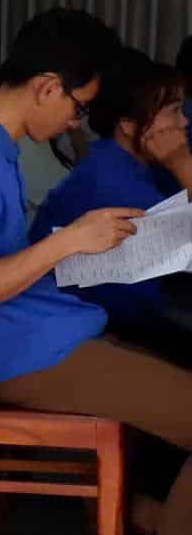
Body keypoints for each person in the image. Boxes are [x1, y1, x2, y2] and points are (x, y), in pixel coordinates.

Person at [0, 9, 192, 535]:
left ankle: (152, 523)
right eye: (77, 106)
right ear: (47, 86)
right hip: (26, 355)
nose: (76, 121)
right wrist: (69, 242)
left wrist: (87, 252)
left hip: (47, 334)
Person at [32, 47, 192, 356]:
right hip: (81, 327)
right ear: (129, 124)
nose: (183, 122)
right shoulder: (111, 180)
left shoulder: (127, 162)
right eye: (173, 111)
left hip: (124, 307)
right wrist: (182, 161)